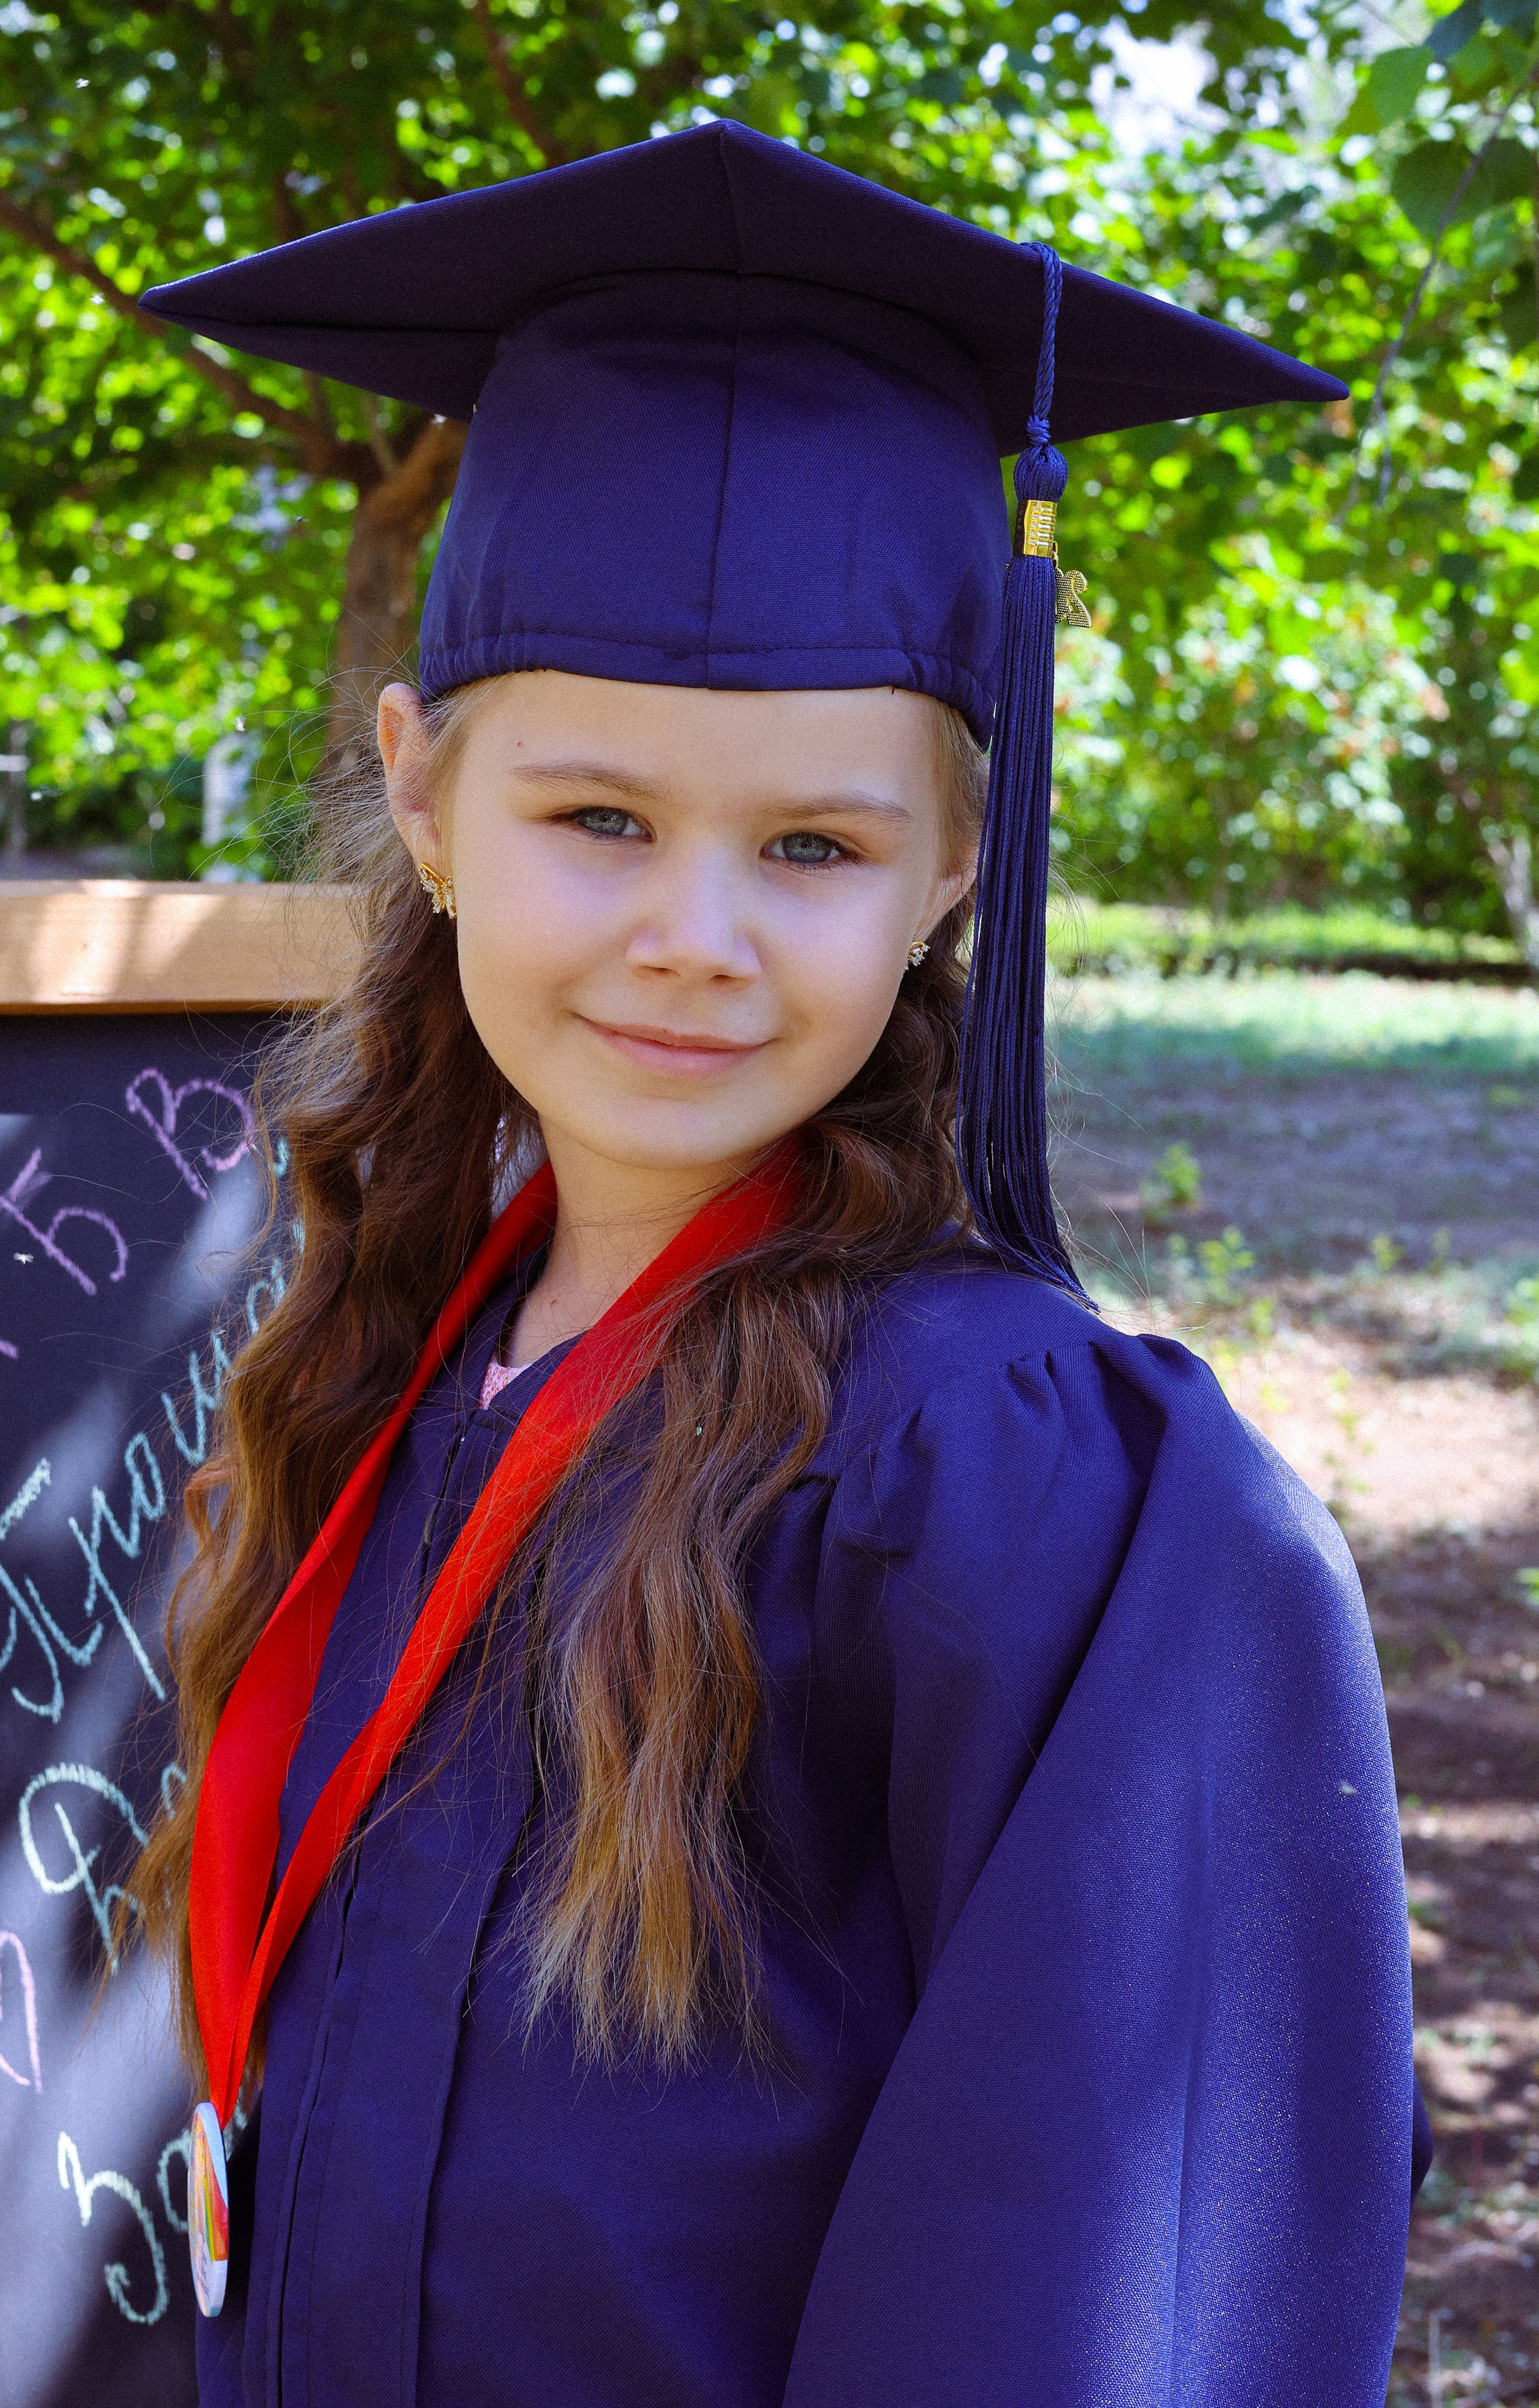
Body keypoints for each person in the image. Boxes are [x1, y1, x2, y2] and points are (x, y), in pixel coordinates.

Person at [131, 120, 1427, 2407]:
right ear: (422, 794)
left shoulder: (1014, 1485)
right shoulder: (404, 1348)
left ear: (954, 870)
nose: (692, 936)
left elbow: (1089, 2298)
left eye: (813, 843)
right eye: (598, 816)